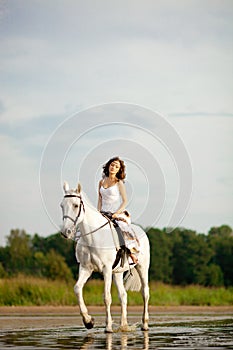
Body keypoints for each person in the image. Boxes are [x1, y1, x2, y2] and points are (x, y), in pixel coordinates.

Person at [98, 156, 139, 264]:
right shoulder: (101, 182)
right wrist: (98, 212)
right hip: (103, 213)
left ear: (118, 170)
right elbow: (100, 199)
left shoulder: (119, 183)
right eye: (112, 165)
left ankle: (131, 254)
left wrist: (116, 213)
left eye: (116, 166)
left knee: (122, 228)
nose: (113, 167)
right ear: (108, 166)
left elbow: (125, 201)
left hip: (115, 213)